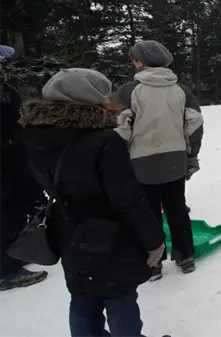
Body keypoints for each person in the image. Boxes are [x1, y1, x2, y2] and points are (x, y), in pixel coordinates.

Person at [19, 68, 165, 336]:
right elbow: (127, 198)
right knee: (118, 295)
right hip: (110, 233)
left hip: (67, 229)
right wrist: (153, 240)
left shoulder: (35, 135)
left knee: (83, 294)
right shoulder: (104, 139)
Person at [114, 40, 204, 277]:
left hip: (140, 164)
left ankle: (153, 263)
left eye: (134, 59)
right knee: (177, 209)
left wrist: (117, 162)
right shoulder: (181, 90)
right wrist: (192, 155)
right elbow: (194, 125)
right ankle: (186, 256)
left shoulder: (127, 91)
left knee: (148, 214)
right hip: (175, 160)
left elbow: (120, 130)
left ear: (140, 62)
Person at [1, 50, 48, 291]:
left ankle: (16, 252)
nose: (4, 67)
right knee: (4, 214)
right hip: (3, 163)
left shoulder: (5, 89)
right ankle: (6, 272)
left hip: (14, 159)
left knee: (18, 208)